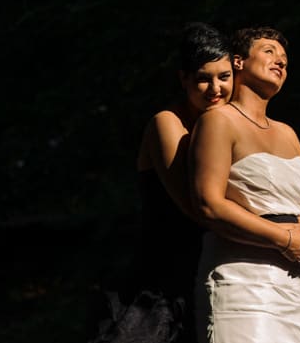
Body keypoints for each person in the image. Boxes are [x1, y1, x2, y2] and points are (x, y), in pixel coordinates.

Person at [190, 26, 300, 343]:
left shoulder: (288, 133)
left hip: (294, 287)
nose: (280, 62)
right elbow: (209, 204)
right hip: (243, 280)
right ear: (238, 62)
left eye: (284, 58)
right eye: (269, 51)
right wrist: (282, 238)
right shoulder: (219, 120)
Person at [90, 21, 234, 343]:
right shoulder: (166, 123)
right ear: (183, 79)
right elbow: (194, 206)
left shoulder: (228, 126)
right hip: (160, 279)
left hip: (209, 269)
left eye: (224, 77)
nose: (215, 89)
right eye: (202, 79)